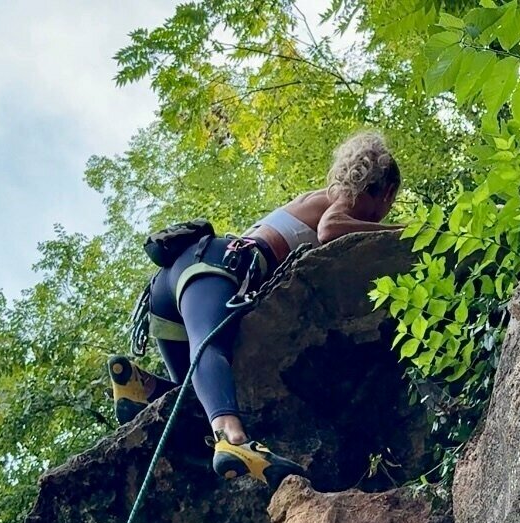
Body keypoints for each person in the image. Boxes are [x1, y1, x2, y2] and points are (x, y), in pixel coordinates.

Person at [108, 131, 403, 489]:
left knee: (198, 399)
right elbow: (330, 230)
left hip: (169, 291)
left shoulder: (313, 198)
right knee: (211, 350)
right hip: (215, 264)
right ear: (386, 191)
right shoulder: (348, 197)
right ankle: (233, 439)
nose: (382, 215)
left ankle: (141, 387)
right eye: (389, 205)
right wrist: (404, 230)